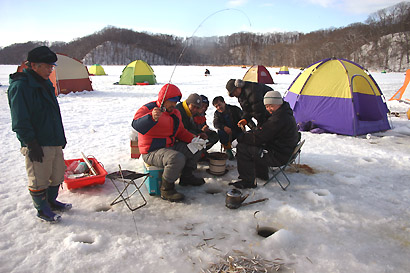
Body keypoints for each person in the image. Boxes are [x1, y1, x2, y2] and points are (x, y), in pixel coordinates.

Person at [7, 46, 71, 222]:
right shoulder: (21, 86)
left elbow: (53, 113)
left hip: (53, 139)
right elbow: (20, 120)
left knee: (57, 174)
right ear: (34, 65)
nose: (51, 70)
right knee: (39, 178)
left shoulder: (45, 83)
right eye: (48, 66)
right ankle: (42, 209)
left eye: (52, 66)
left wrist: (60, 137)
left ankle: (51, 201)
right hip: (38, 142)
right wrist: (30, 143)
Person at [132, 84, 206, 202]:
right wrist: (151, 118)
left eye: (176, 102)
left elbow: (180, 132)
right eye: (171, 101)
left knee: (195, 149)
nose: (174, 104)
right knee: (176, 158)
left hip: (169, 146)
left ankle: (186, 177)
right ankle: (166, 189)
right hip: (151, 151)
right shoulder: (149, 109)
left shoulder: (175, 113)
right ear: (164, 99)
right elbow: (136, 125)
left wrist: (194, 139)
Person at [230, 91, 301, 189]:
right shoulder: (284, 112)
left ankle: (247, 181)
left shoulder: (279, 118)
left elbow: (259, 138)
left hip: (278, 156)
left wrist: (240, 139)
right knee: (255, 143)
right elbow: (266, 133)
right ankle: (261, 174)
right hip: (283, 151)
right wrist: (254, 132)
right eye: (267, 106)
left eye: (271, 106)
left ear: (278, 103)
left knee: (243, 147)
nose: (268, 109)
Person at [212, 96, 248, 160]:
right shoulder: (217, 114)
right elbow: (216, 124)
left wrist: (243, 123)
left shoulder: (235, 109)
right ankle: (227, 149)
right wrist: (224, 127)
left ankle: (241, 150)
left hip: (237, 131)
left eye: (219, 105)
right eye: (216, 106)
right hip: (226, 134)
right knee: (220, 131)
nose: (218, 107)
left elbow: (245, 118)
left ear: (224, 102)